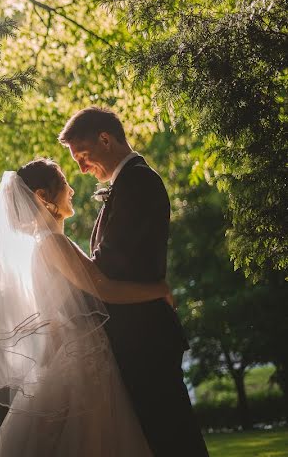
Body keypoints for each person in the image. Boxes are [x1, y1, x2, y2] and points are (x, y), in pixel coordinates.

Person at [0, 158, 170, 455]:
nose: (72, 190)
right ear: (43, 196)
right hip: (83, 367)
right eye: (64, 183)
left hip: (74, 361)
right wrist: (158, 290)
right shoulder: (52, 243)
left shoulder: (45, 244)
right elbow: (103, 288)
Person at [59, 106, 208, 456]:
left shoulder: (137, 182)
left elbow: (108, 269)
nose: (80, 168)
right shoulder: (126, 184)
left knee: (173, 439)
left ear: (105, 140)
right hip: (136, 337)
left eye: (82, 156)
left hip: (145, 339)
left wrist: (60, 249)